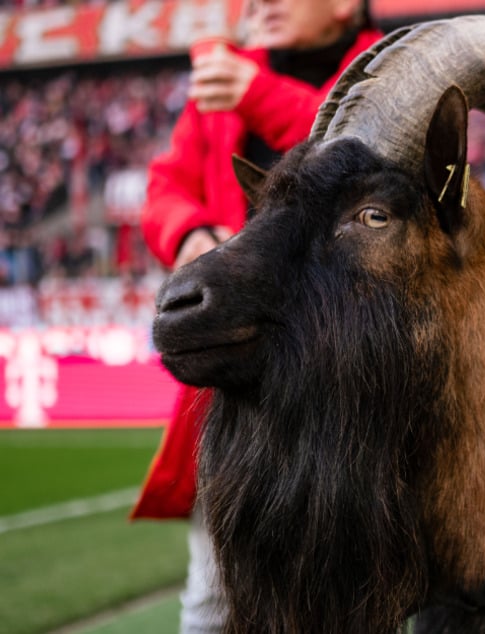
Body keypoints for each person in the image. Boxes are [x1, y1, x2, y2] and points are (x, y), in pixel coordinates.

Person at [132, 2, 381, 631]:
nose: (260, 4)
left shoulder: (386, 63)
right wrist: (190, 235)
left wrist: (259, 94)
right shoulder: (230, 76)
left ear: (346, 5)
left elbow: (363, 154)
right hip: (240, 378)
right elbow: (164, 188)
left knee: (348, 601)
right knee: (214, 599)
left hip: (350, 381)